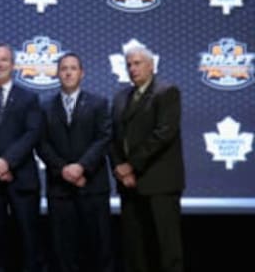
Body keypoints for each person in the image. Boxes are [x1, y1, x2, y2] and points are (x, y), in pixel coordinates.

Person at [109, 46, 185, 272]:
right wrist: (119, 168)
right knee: (134, 250)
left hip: (159, 183)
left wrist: (131, 166)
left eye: (137, 63)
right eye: (129, 64)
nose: (132, 68)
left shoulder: (167, 92)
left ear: (152, 65)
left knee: (166, 248)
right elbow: (112, 137)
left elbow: (163, 134)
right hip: (128, 185)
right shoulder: (121, 97)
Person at [37, 53, 114, 272]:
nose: (68, 72)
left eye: (73, 68)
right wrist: (63, 169)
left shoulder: (99, 103)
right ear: (57, 74)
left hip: (93, 186)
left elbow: (104, 138)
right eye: (64, 69)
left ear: (82, 73)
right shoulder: (44, 106)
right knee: (63, 251)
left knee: (99, 249)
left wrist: (81, 167)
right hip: (60, 189)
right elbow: (41, 143)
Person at [0, 43, 44, 272]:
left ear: (13, 65)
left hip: (21, 178)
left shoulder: (29, 98)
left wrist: (7, 162)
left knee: (29, 242)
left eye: (4, 60)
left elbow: (32, 133)